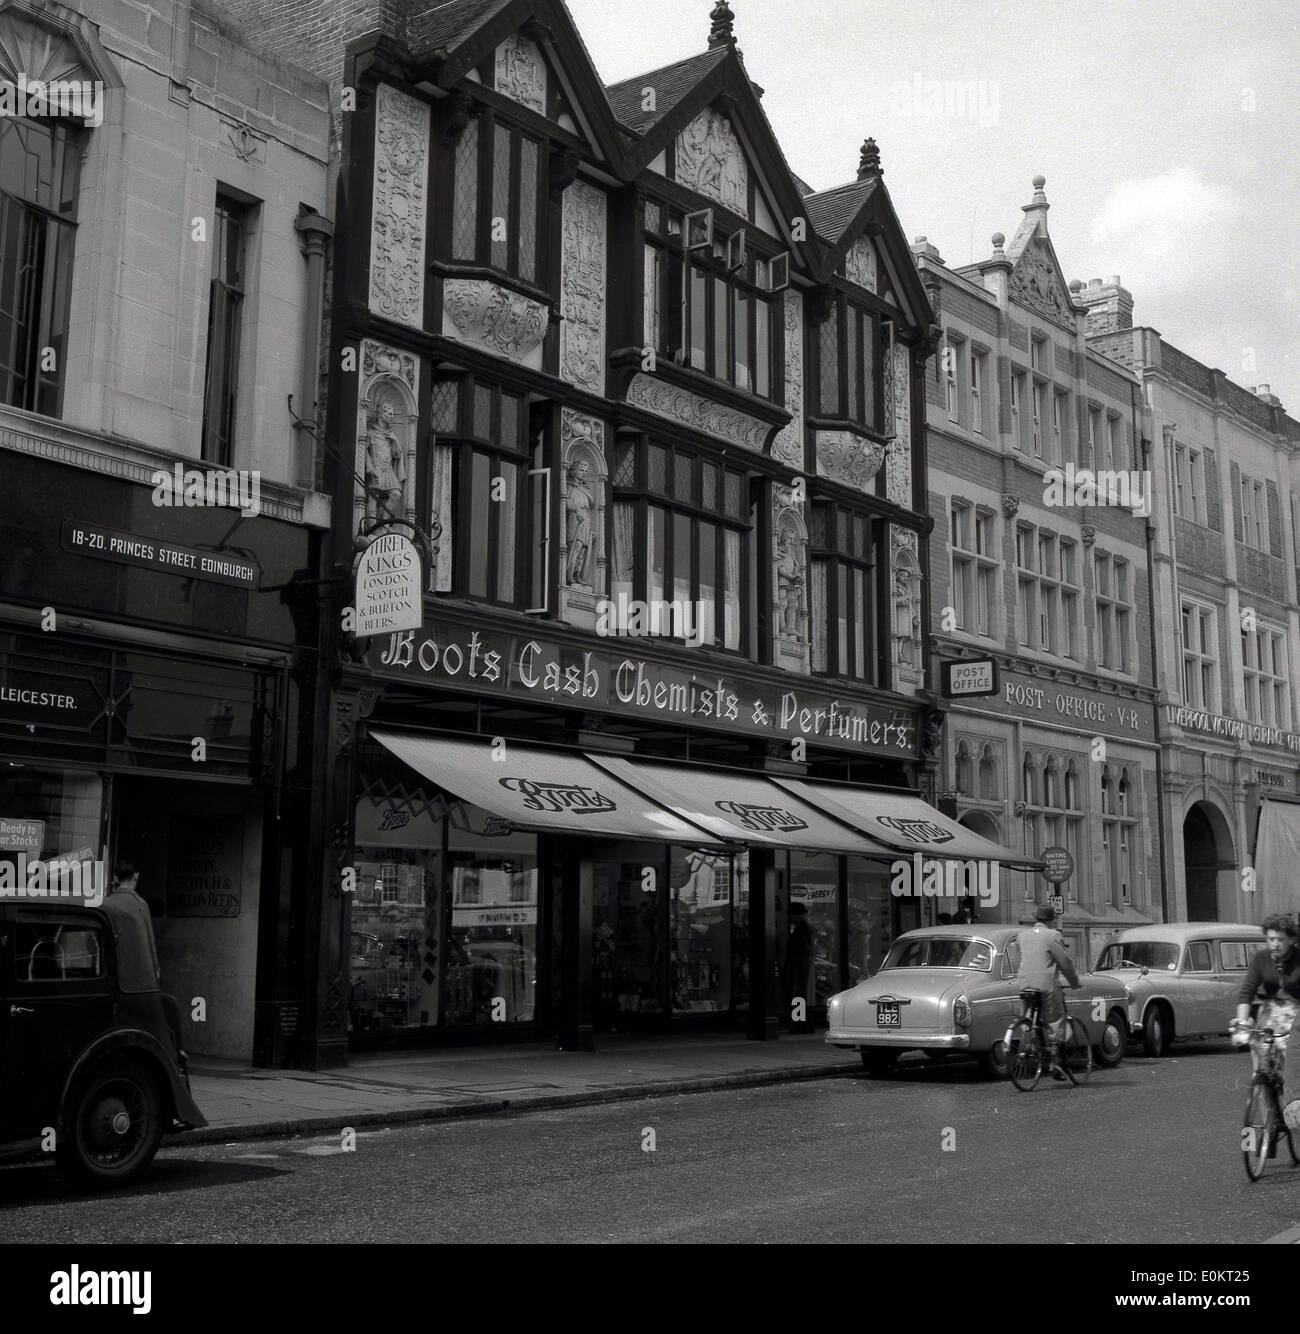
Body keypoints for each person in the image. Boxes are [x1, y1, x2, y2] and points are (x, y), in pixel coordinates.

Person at [1015, 904, 1080, 1080]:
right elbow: (1065, 962)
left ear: (1037, 919)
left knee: (1027, 1018)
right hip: (1046, 985)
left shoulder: (1022, 936)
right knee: (1056, 1019)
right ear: (1051, 920)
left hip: (1024, 984)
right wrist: (1074, 982)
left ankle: (1027, 1042)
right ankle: (1055, 1062)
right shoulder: (1053, 935)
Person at [1230, 915, 1300, 1076]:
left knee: (1289, 1056)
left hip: (1295, 1014)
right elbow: (1247, 991)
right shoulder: (1260, 958)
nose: (1275, 944)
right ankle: (1259, 1082)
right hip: (1269, 1014)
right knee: (1258, 1044)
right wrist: (1241, 1020)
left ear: (1290, 939)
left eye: (1281, 939)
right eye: (1271, 939)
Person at [102, 860, 161, 993]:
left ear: (115, 877)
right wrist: (155, 968)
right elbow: (149, 941)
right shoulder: (140, 905)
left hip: (109, 972)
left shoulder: (105, 903)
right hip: (134, 976)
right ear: (136, 876)